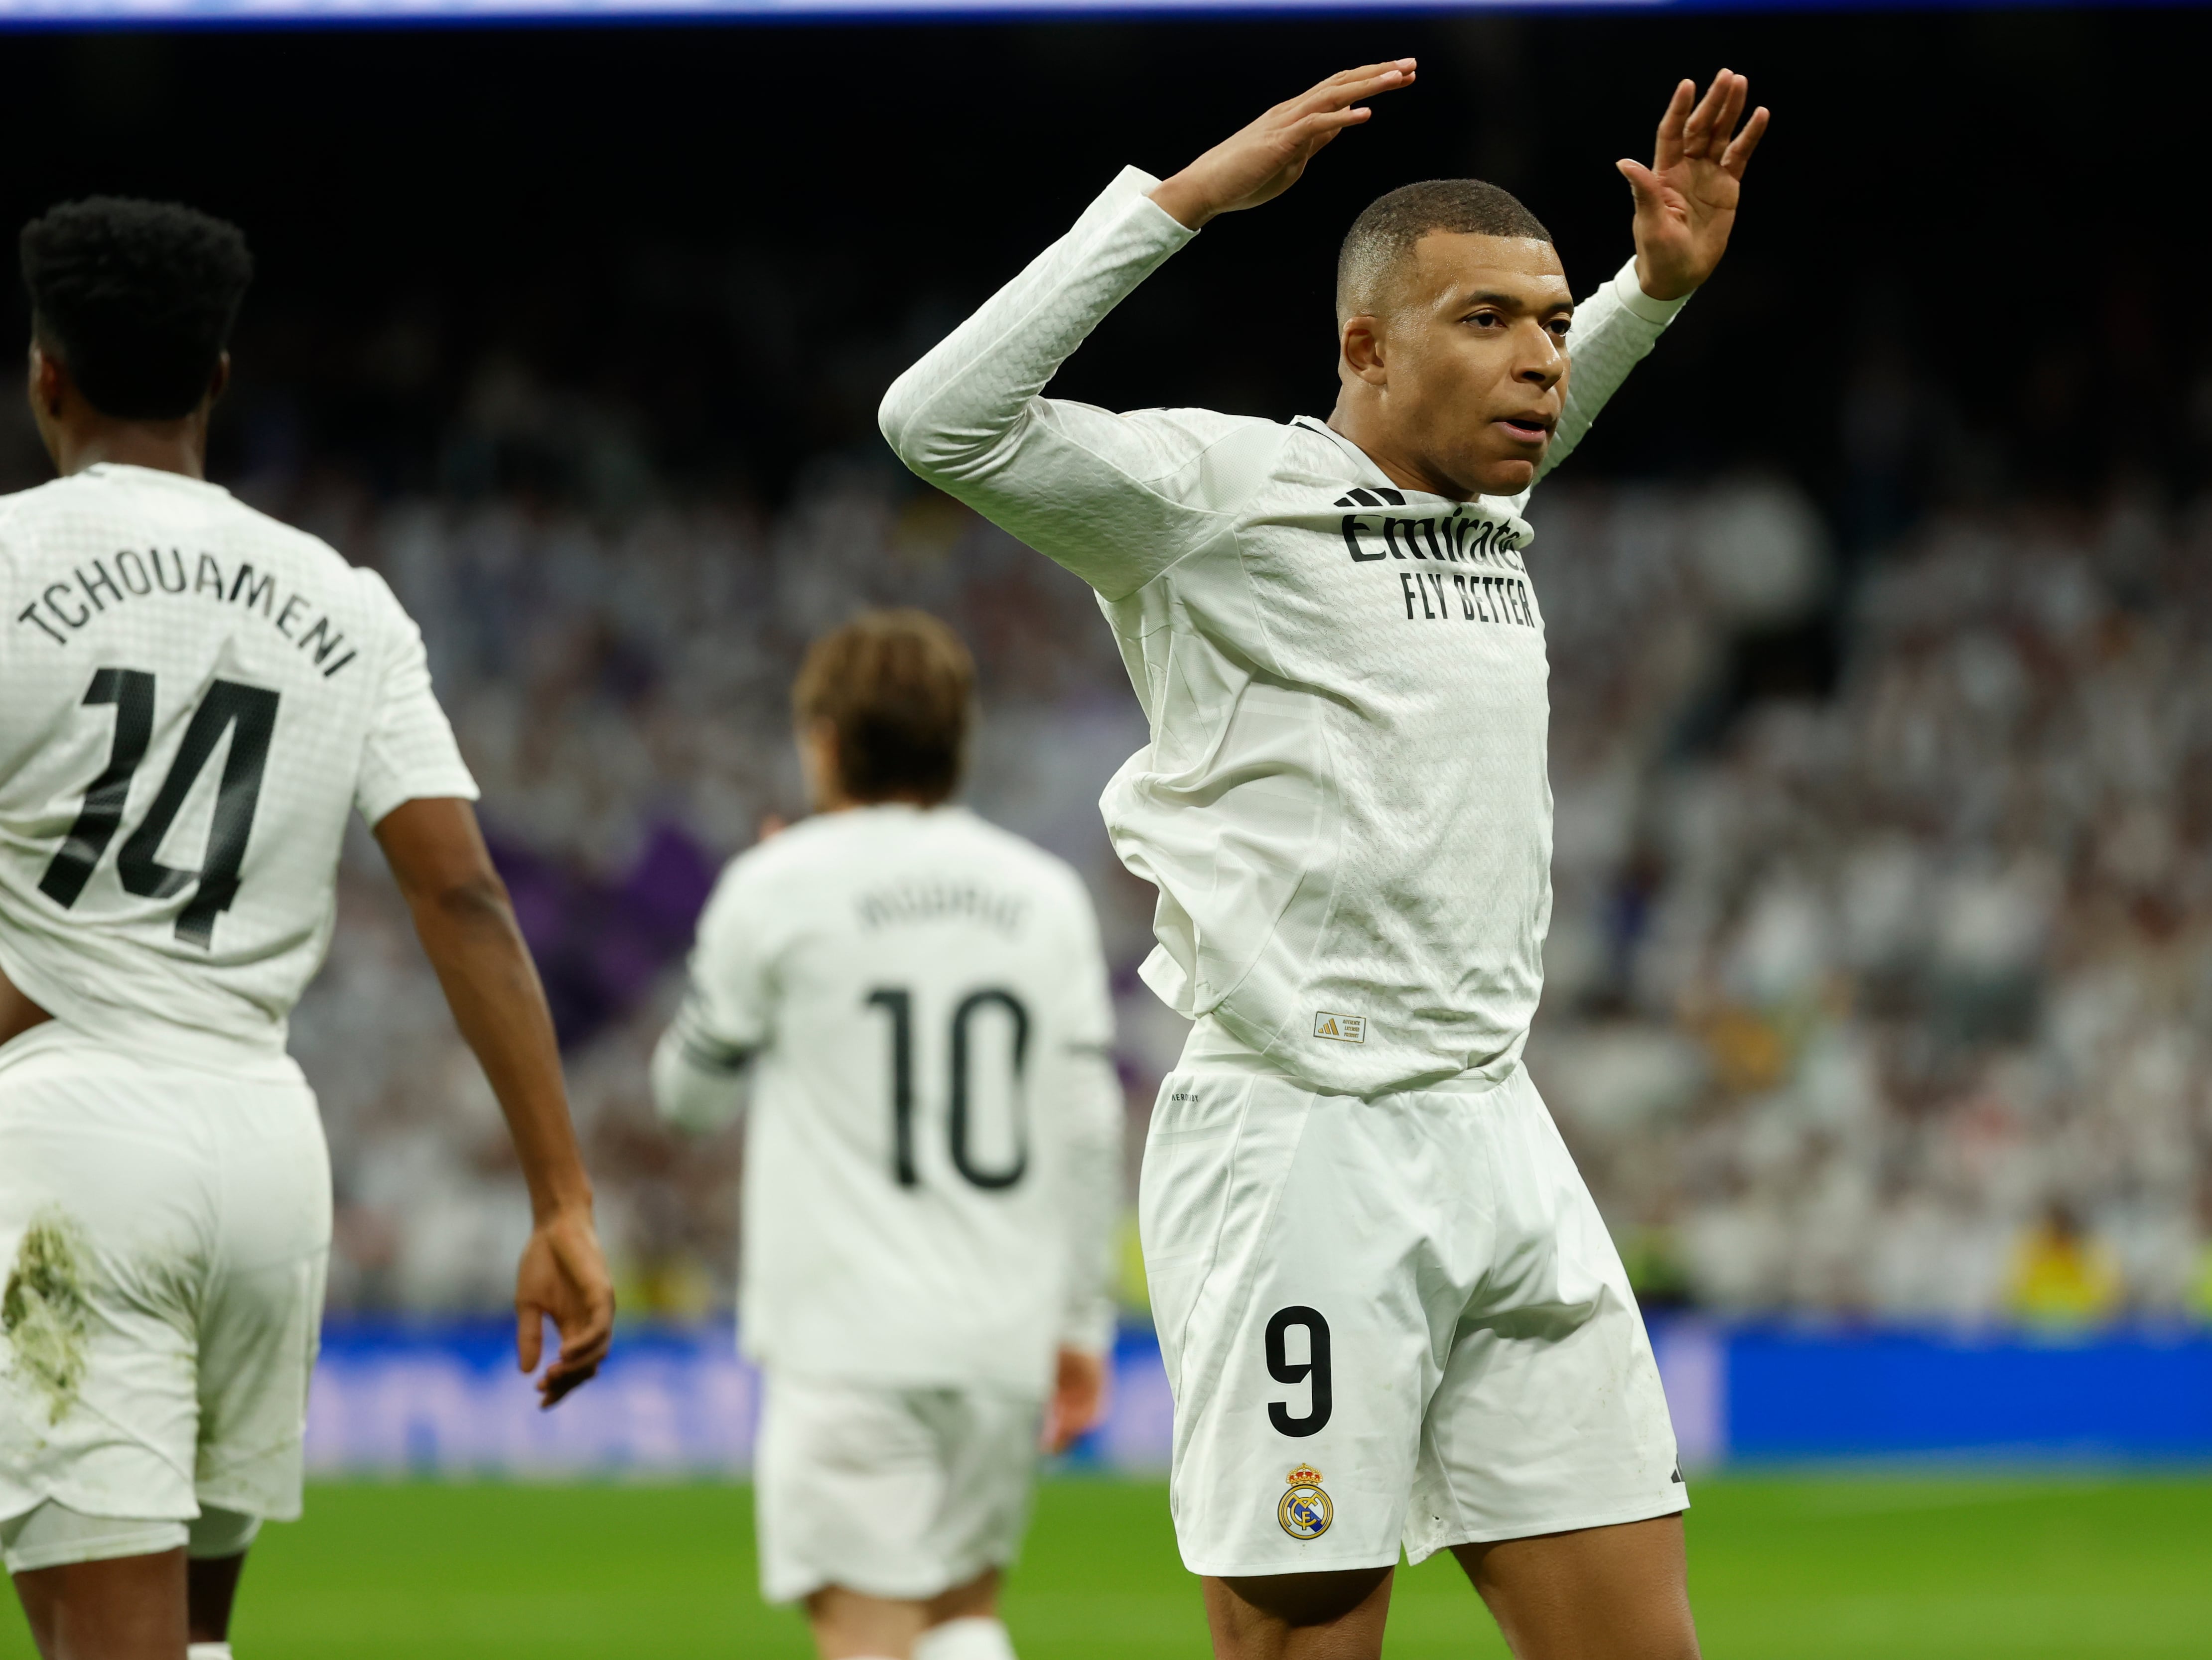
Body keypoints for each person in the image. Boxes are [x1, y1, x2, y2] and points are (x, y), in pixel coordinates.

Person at [880, 59, 1766, 1660]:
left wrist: (1654, 289)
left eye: (1555, 323)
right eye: (1490, 321)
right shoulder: (1216, 499)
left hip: (1500, 1127)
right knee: (1303, 1635)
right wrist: (1183, 205)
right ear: (1363, 345)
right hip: (1304, 1142)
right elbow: (935, 419)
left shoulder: (1481, 508)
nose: (1543, 361)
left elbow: (1529, 418)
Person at [0, 198, 614, 1660]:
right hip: (268, 1147)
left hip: (75, 1142)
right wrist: (562, 1195)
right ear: (219, 378)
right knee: (192, 1635)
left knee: (109, 1639)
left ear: (44, 376)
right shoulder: (345, 599)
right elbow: (460, 890)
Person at [651, 610, 1123, 1660]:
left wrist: (740, 951)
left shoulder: (775, 889)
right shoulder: (1043, 897)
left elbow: (685, 1097)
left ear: (821, 738)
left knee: (869, 1640)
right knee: (961, 1622)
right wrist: (1082, 1319)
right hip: (1001, 1333)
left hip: (849, 1338)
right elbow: (1087, 1122)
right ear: (961, 737)